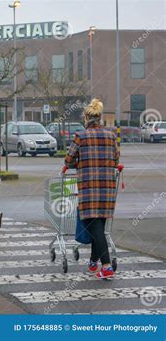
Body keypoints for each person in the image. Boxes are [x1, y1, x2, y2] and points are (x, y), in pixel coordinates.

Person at [65, 98, 120, 279]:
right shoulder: (111, 136)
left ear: (86, 118)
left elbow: (69, 160)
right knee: (100, 225)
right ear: (100, 117)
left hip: (89, 188)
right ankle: (93, 262)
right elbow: (116, 159)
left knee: (94, 226)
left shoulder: (81, 136)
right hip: (107, 187)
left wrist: (79, 163)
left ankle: (106, 267)